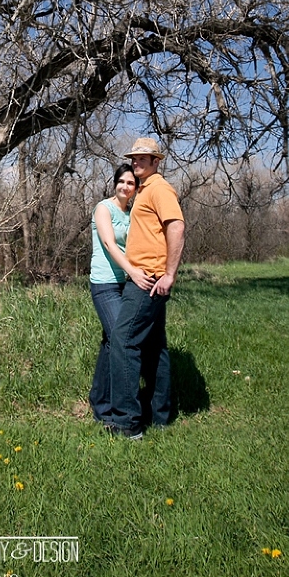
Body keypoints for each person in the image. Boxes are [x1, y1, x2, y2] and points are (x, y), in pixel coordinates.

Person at [107, 137, 185, 439]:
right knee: (155, 348)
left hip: (149, 280)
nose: (137, 162)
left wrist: (169, 274)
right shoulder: (145, 190)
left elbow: (176, 226)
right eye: (135, 158)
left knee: (124, 341)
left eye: (144, 158)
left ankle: (127, 423)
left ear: (156, 161)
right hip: (144, 277)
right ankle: (161, 416)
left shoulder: (160, 189)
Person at [88, 165, 155, 423]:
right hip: (104, 285)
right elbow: (109, 243)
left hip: (125, 285)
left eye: (131, 183)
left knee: (112, 342)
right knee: (122, 339)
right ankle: (120, 411)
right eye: (122, 182)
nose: (126, 187)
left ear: (136, 188)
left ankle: (101, 402)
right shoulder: (103, 208)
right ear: (114, 183)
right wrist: (133, 271)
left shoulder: (133, 213)